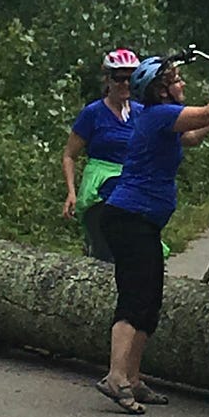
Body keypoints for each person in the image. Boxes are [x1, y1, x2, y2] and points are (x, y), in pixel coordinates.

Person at [94, 49, 209, 414]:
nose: (181, 83)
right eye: (175, 80)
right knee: (134, 298)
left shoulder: (162, 119)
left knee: (150, 301)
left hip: (141, 220)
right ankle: (115, 376)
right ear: (161, 91)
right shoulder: (159, 115)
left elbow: (192, 135)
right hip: (129, 218)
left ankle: (133, 377)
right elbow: (205, 113)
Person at [61, 48, 140, 261]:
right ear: (108, 80)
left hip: (133, 189)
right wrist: (71, 192)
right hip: (101, 192)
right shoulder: (93, 113)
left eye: (130, 78)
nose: (124, 84)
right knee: (107, 254)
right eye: (118, 78)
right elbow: (69, 155)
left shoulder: (141, 112)